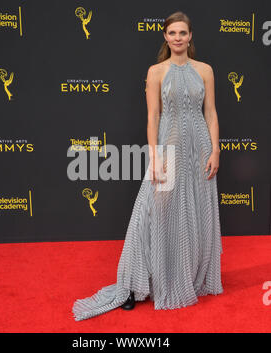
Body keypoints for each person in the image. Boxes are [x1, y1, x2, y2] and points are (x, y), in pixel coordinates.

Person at [72, 11, 223, 322]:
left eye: (183, 33)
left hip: (200, 149)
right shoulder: (156, 72)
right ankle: (131, 285)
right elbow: (153, 117)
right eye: (173, 33)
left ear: (190, 36)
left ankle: (186, 276)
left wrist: (216, 150)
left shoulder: (205, 70)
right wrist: (154, 155)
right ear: (165, 37)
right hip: (168, 148)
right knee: (150, 211)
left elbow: (211, 113)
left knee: (196, 213)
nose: (178, 38)